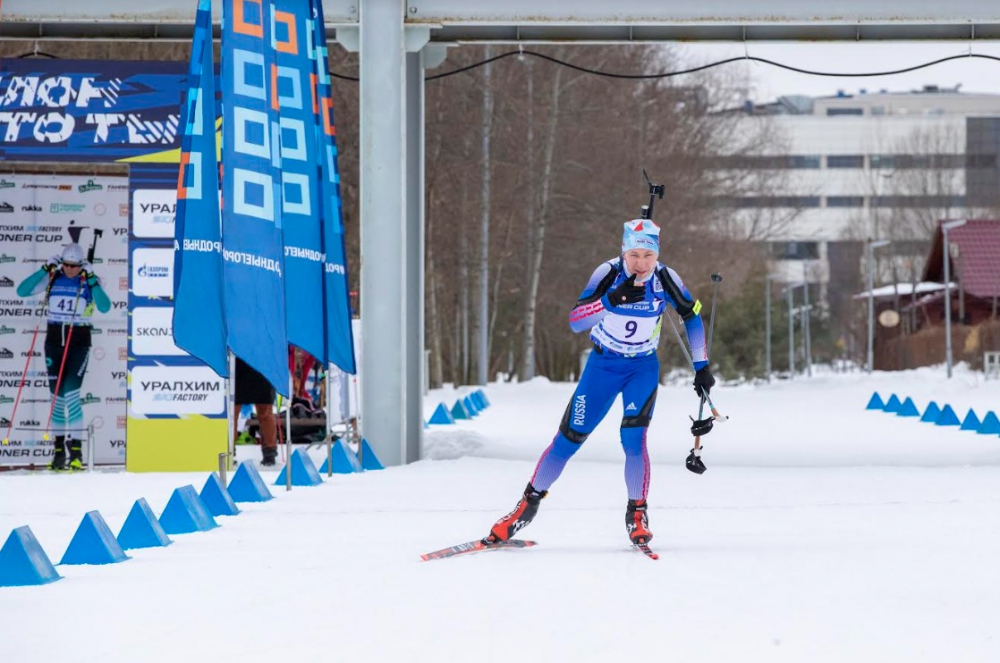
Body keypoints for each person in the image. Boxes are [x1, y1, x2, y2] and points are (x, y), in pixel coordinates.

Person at [485, 218, 714, 546]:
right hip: (603, 366)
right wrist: (612, 300)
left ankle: (637, 513)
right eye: (634, 255)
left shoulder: (665, 278)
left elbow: (691, 316)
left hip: (642, 368)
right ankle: (526, 507)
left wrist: (701, 365)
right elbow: (576, 321)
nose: (641, 263)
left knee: (634, 440)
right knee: (568, 441)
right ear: (623, 252)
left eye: (648, 256)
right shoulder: (607, 273)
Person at [17, 243, 111, 470]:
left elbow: (105, 306)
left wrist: (90, 278)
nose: (70, 270)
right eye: (67, 265)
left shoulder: (87, 280)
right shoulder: (53, 278)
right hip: (54, 342)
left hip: (77, 342)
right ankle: (58, 451)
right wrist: (44, 268)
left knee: (71, 394)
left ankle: (76, 451)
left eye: (75, 266)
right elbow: (22, 291)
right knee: (56, 398)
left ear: (81, 265)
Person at [233, 357, 279, 466]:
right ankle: (269, 452)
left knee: (265, 413)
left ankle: (270, 452)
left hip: (259, 367)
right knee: (233, 415)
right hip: (252, 367)